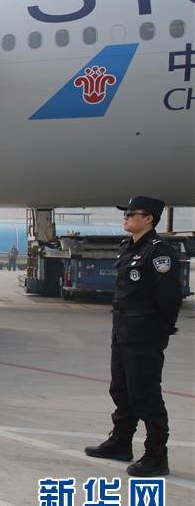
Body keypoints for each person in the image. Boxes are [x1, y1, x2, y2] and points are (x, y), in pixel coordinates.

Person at [84, 196, 183, 477]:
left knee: (145, 394)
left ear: (148, 218)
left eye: (131, 213)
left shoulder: (159, 252)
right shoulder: (128, 246)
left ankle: (156, 456)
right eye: (125, 213)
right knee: (121, 389)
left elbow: (169, 297)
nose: (125, 217)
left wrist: (160, 328)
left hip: (144, 332)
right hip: (123, 329)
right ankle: (120, 442)